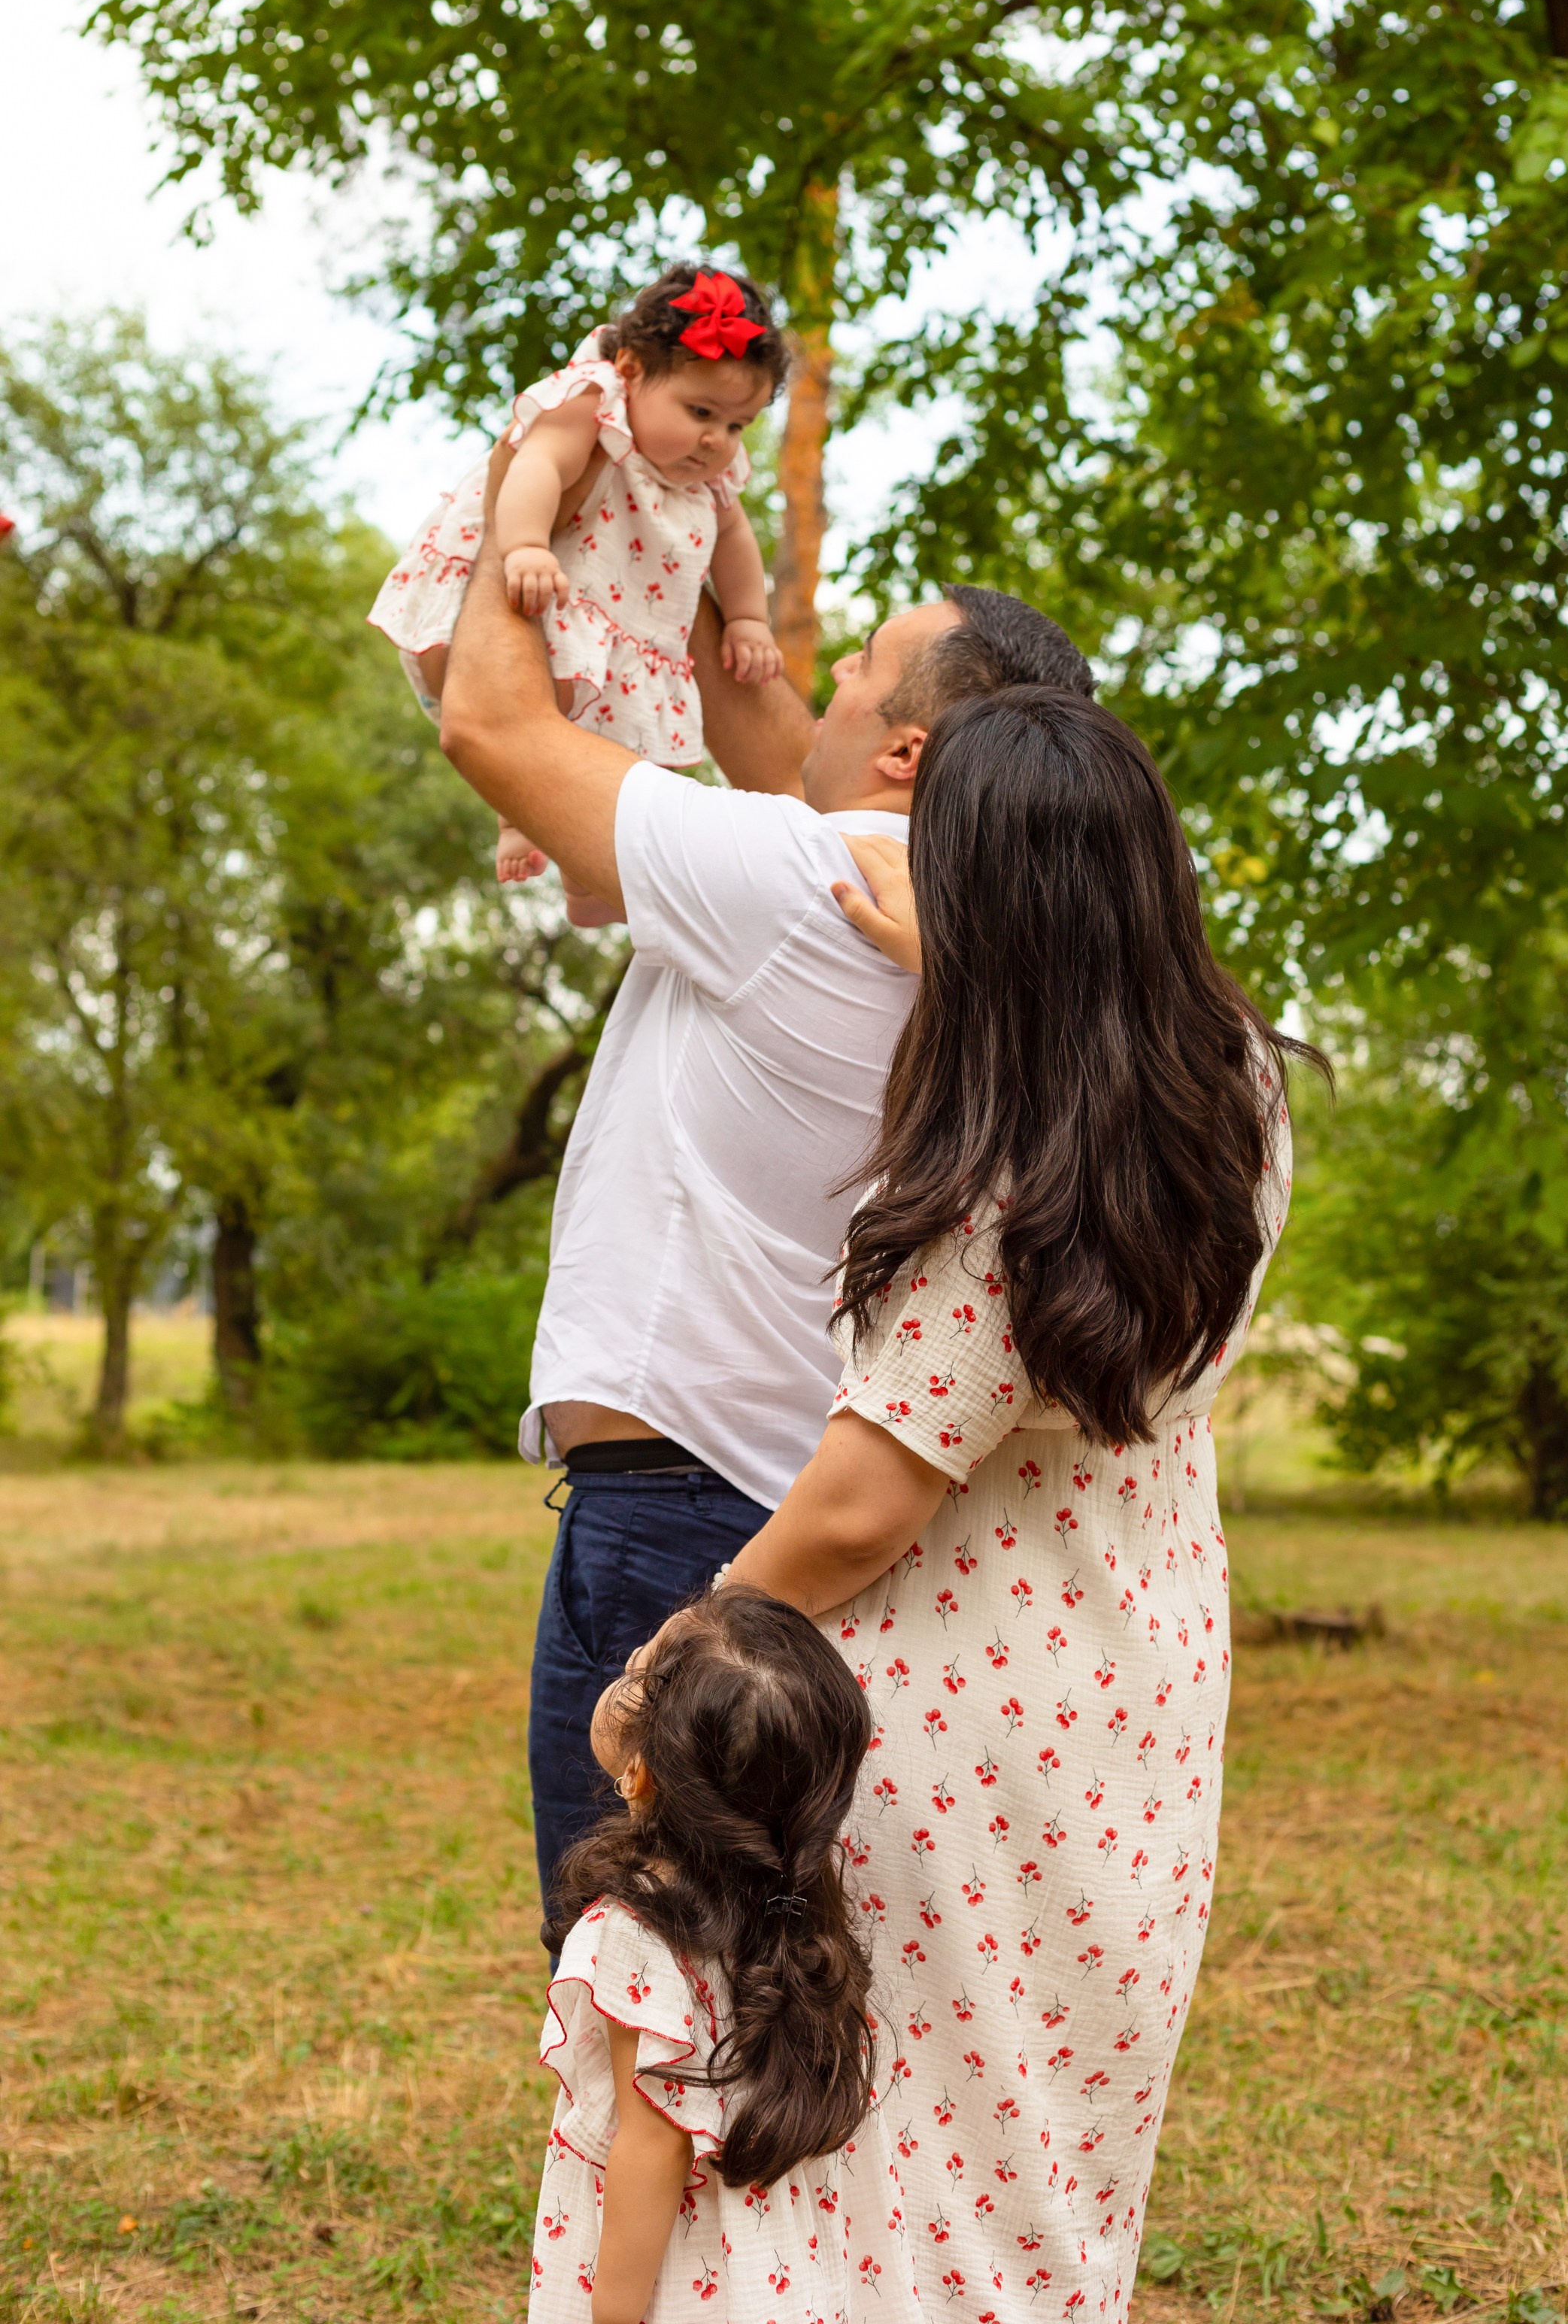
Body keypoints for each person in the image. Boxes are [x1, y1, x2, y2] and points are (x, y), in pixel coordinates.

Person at [708, 686, 1321, 2324]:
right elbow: (1080, 1028)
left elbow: (853, 1511)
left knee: (916, 2164)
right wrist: (962, 970)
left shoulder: (1003, 1200)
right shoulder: (1236, 1094)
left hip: (960, 1737)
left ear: (992, 916)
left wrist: (678, 1654)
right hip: (1135, 1684)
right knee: (1056, 2146)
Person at [435, 526, 1095, 1934]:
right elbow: (782, 749)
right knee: (758, 1950)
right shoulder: (986, 921)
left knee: (636, 1950)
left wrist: (525, 511)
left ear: (906, 752)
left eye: (853, 665)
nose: (822, 678)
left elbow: (488, 721)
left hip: (682, 1507)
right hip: (809, 1492)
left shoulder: (799, 879)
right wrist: (693, 544)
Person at [530, 1585, 917, 2324]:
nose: (626, 1674)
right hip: (788, 2260)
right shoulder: (802, 1897)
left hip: (693, 2271)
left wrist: (610, 2315)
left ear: (640, 1772)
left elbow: (654, 2147)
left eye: (638, 1674)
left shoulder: (630, 1933)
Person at [371, 262, 790, 915]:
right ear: (629, 369)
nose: (717, 440)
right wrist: (527, 546)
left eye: (738, 425)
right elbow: (534, 465)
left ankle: (594, 875)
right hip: (549, 594)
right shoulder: (591, 404)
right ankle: (518, 815)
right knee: (539, 701)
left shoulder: (710, 471)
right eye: (700, 411)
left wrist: (746, 620)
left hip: (633, 635)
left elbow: (734, 540)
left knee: (641, 763)